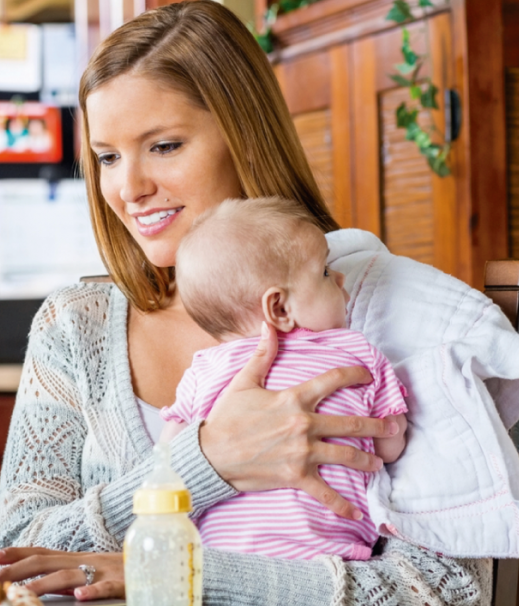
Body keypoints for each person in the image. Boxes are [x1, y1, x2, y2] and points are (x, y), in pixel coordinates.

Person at [0, 0, 519, 605]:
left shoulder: (381, 311)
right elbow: (18, 554)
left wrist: (175, 578)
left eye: (165, 146)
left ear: (244, 137)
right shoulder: (76, 327)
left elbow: (447, 590)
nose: (128, 188)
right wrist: (205, 463)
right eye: (108, 157)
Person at [158, 197, 407, 562]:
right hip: (331, 559)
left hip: (220, 562)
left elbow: (169, 456)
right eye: (324, 272)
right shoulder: (356, 352)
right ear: (279, 308)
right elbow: (391, 445)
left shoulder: (204, 369)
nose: (340, 278)